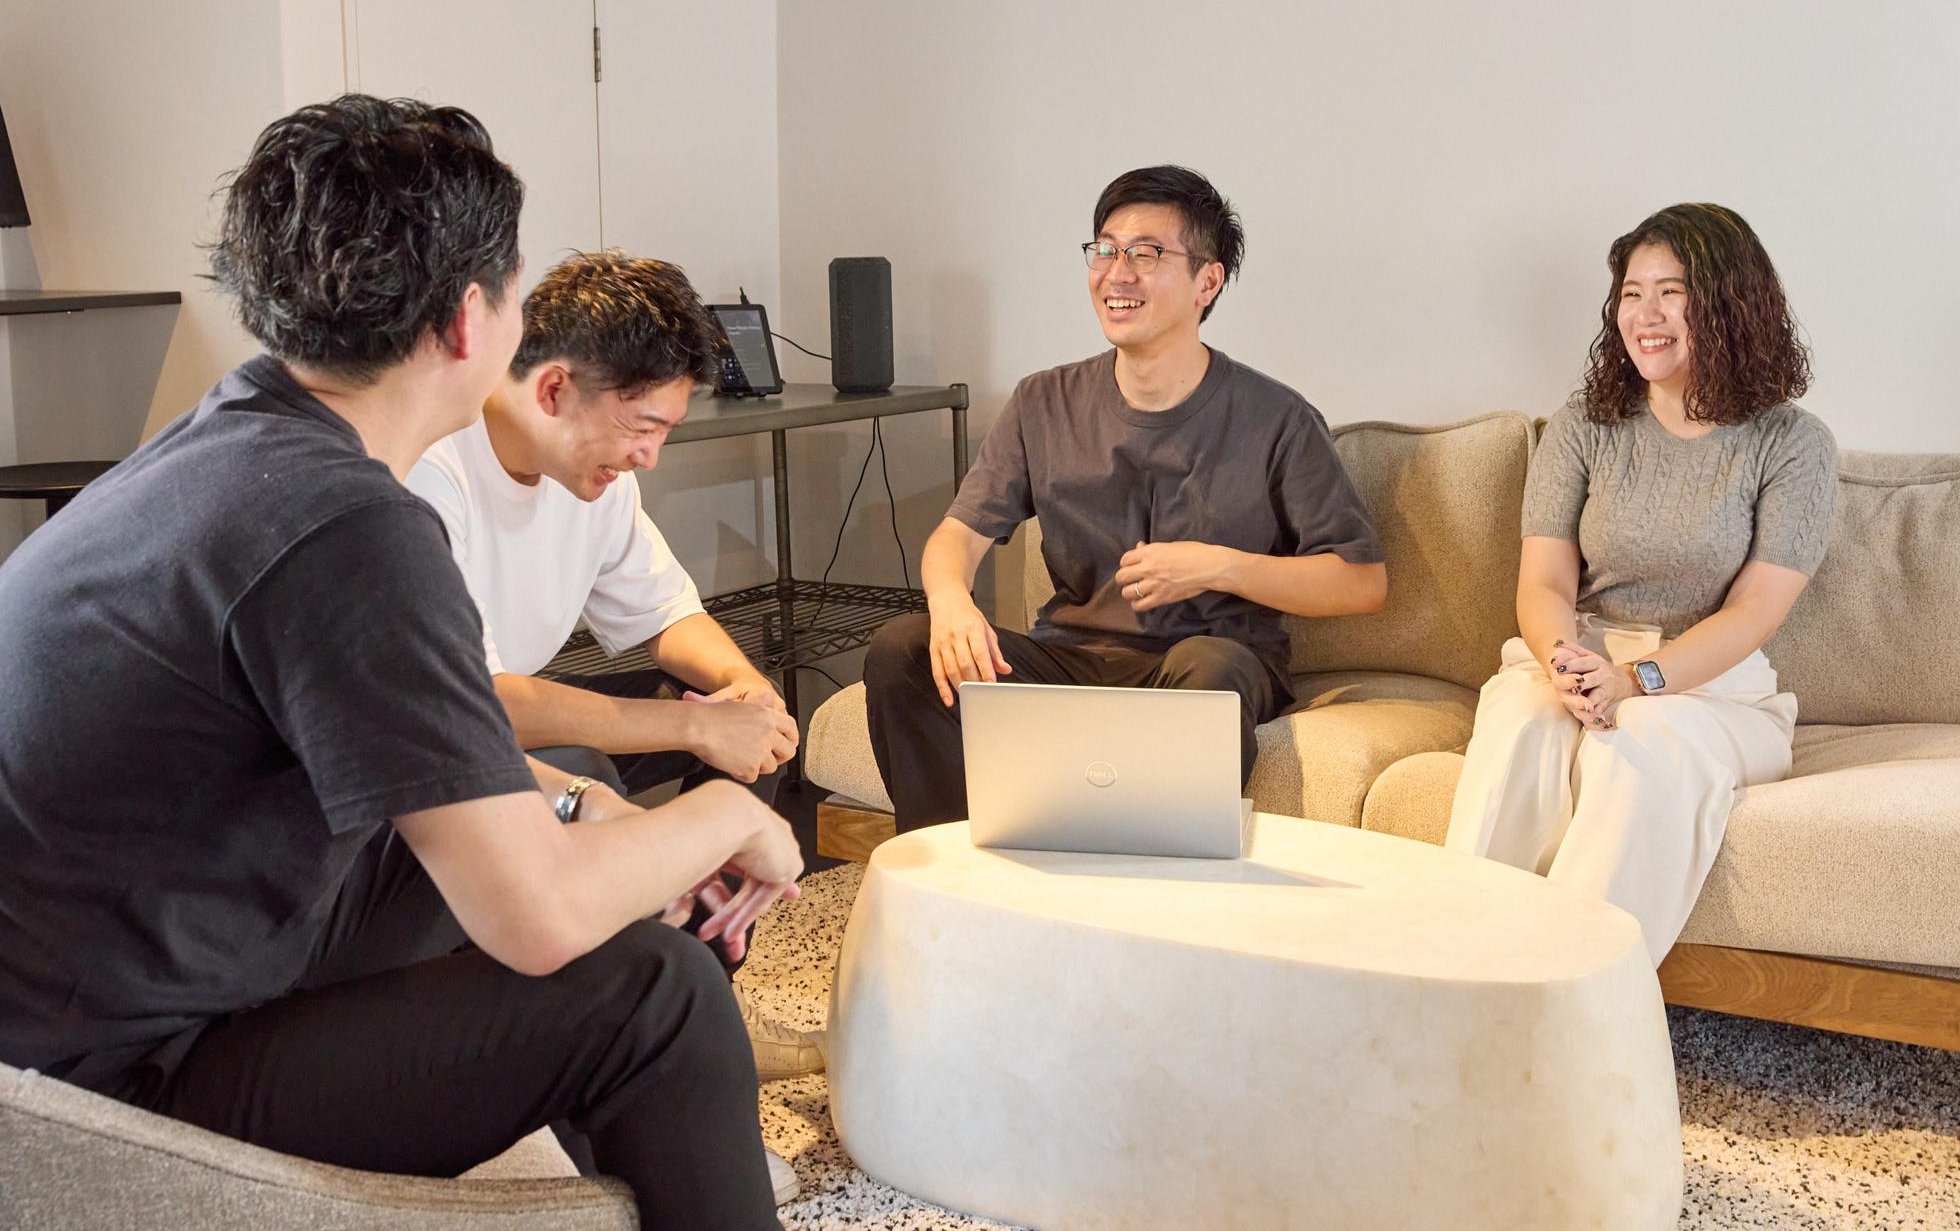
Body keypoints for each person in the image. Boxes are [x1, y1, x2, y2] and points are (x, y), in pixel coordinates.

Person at [0, 95, 799, 1226]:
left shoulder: (233, 436)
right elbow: (535, 916)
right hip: (107, 1088)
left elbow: (414, 761)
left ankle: (672, 1134)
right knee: (653, 994)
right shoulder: (353, 526)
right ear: (473, 317)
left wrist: (598, 816)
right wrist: (727, 814)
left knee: (583, 862)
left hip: (105, 984)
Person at [864, 164, 1387, 832]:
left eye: (1146, 254)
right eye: (1105, 250)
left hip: (1205, 661)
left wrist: (1217, 566)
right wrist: (950, 603)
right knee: (903, 648)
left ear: (1207, 282)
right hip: (1069, 659)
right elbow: (956, 537)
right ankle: (959, 870)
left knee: (1209, 669)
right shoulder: (1042, 402)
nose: (1117, 273)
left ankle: (1155, 880)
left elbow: (1361, 583)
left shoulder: (1276, 418)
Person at [405, 249, 821, 1083]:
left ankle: (701, 1010)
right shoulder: (431, 471)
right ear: (554, 389)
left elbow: (666, 615)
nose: (650, 457)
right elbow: (469, 705)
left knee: (749, 739)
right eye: (643, 428)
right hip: (438, 748)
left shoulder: (593, 477)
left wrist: (744, 693)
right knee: (591, 760)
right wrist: (692, 725)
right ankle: (601, 1027)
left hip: (490, 721)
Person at [1445, 202, 1838, 966]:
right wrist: (1566, 666)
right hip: (1580, 659)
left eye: (1671, 292)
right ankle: (1459, 969)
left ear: (1730, 304)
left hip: (1714, 691)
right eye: (1631, 293)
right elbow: (1544, 582)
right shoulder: (1585, 426)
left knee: (1642, 738)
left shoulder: (1793, 443)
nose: (1644, 315)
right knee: (1524, 719)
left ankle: (1572, 991)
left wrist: (1635, 681)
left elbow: (1756, 610)